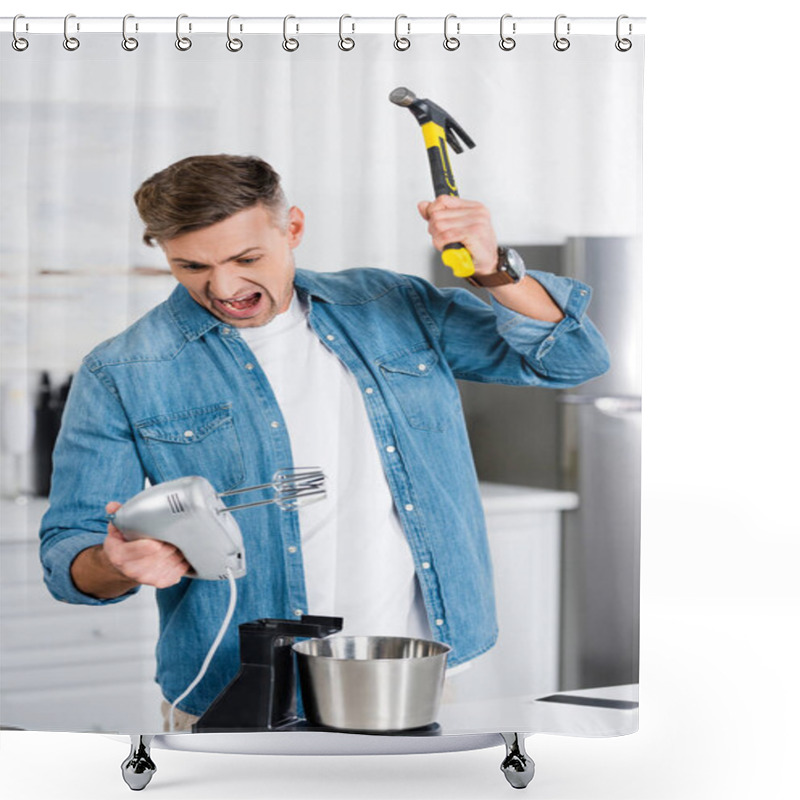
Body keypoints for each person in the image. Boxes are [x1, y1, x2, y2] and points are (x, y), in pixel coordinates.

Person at [39, 154, 609, 730]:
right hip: (237, 694)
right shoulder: (123, 369)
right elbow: (69, 556)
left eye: (247, 258)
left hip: (402, 677)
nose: (224, 287)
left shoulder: (390, 306)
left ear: (293, 230)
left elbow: (572, 360)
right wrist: (118, 563)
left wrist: (493, 268)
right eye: (190, 266)